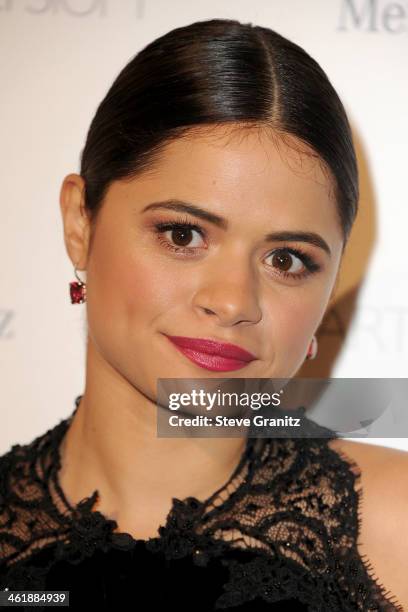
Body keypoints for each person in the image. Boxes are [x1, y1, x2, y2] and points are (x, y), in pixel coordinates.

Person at [0, 17, 407, 611]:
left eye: (287, 259)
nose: (235, 301)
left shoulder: (396, 526)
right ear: (79, 224)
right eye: (184, 234)